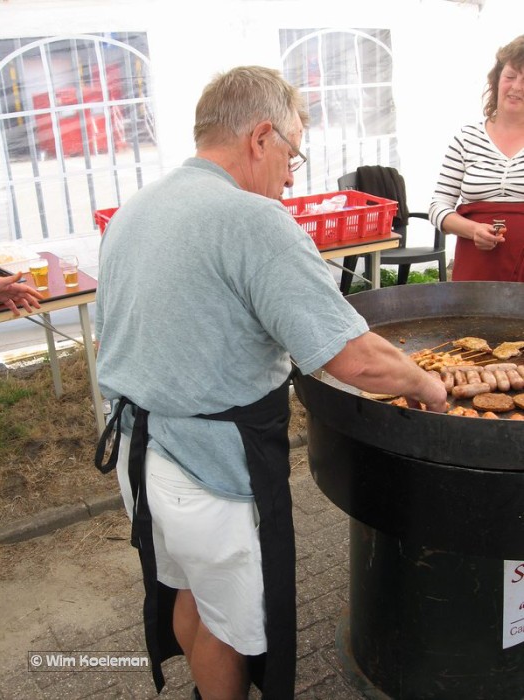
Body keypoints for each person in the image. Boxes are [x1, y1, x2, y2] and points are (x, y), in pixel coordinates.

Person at [94, 65, 447, 700]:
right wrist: (431, 388)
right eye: (293, 153)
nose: (292, 175)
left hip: (138, 453)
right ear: (261, 137)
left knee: (191, 592)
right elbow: (355, 358)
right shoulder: (253, 220)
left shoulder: (139, 206)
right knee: (232, 624)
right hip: (209, 470)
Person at [429, 35, 524, 282]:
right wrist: (473, 230)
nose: (516, 87)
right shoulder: (467, 138)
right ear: (496, 80)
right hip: (476, 269)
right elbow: (438, 206)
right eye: (510, 76)